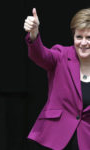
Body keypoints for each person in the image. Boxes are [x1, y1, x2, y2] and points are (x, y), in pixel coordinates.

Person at [23, 7, 90, 150]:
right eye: (79, 37)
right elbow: (41, 56)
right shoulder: (61, 55)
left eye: (89, 37)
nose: (84, 43)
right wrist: (34, 35)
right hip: (53, 139)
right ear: (73, 37)